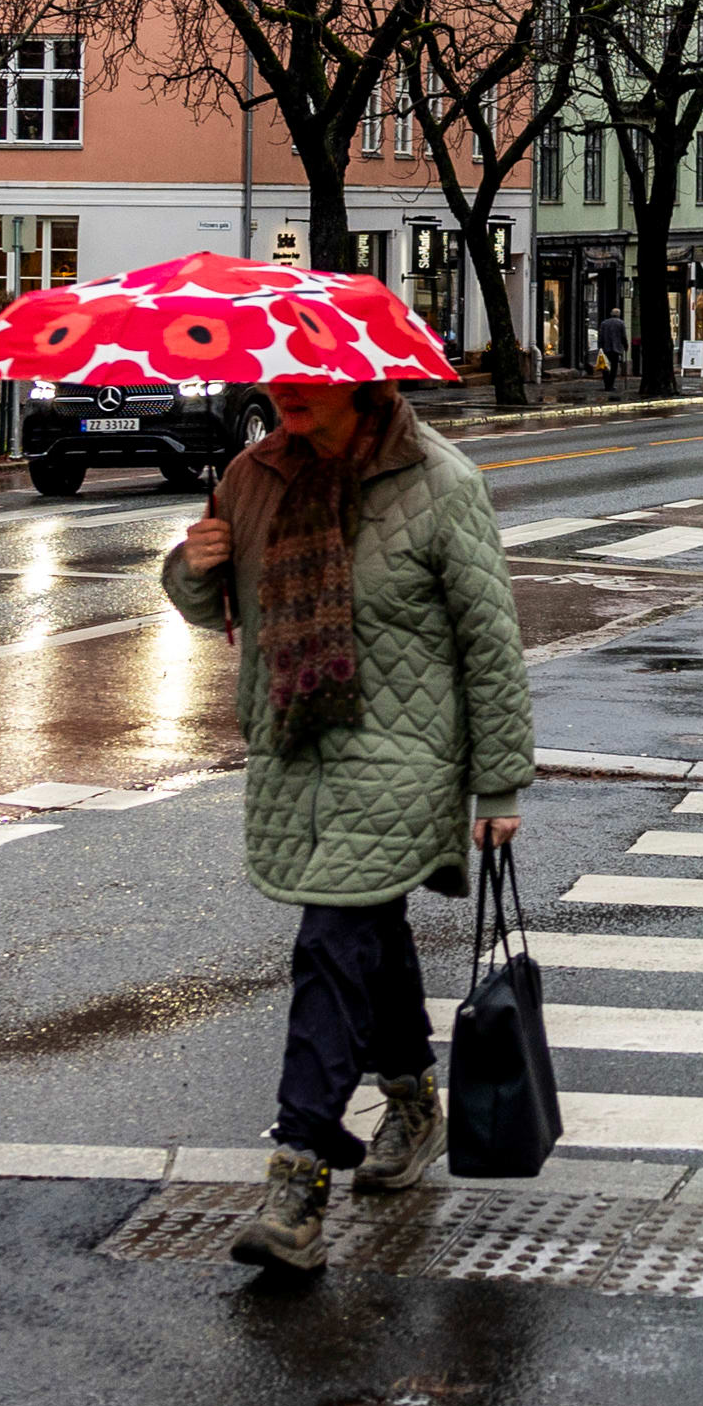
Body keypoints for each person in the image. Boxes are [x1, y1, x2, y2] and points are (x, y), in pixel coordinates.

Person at [163, 372, 532, 1277]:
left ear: (361, 386)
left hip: (404, 757)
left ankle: (295, 1181)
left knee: (332, 941)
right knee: (368, 930)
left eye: (308, 381)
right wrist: (192, 565)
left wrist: (498, 787)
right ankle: (411, 1097)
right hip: (295, 747)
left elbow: (491, 641)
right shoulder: (253, 477)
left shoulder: (442, 484)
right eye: (276, 377)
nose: (286, 392)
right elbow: (215, 609)